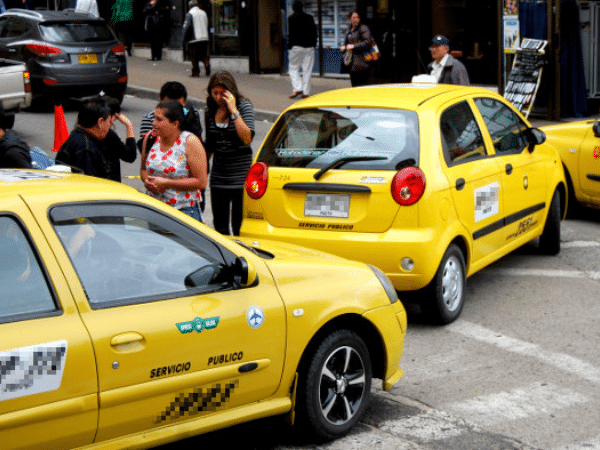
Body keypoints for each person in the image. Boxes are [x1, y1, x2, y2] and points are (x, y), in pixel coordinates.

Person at [204, 70, 254, 236]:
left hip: (240, 175)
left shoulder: (243, 106)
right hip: (219, 175)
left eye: (222, 93)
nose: (218, 98)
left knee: (238, 225)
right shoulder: (210, 111)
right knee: (220, 226)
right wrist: (202, 170)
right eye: (215, 93)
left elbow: (247, 138)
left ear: (231, 92)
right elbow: (210, 145)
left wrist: (234, 112)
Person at [140, 99, 207, 221]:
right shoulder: (150, 137)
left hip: (183, 212)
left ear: (175, 124)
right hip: (155, 210)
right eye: (154, 118)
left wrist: (165, 183)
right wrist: (148, 182)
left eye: (159, 120)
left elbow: (201, 182)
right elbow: (144, 170)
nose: (154, 123)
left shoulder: (190, 142)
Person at [56, 97, 136, 181]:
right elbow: (91, 184)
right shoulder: (85, 148)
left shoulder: (78, 137)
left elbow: (130, 156)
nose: (111, 125)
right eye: (109, 121)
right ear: (100, 122)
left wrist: (129, 126)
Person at [287, 0, 317, 98]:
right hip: (309, 47)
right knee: (307, 70)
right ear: (302, 7)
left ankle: (298, 88)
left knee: (293, 68)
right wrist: (314, 44)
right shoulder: (310, 17)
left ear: (293, 8)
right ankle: (305, 92)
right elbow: (314, 32)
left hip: (296, 46)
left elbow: (291, 33)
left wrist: (290, 46)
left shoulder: (291, 18)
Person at [340, 10, 374, 87]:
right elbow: (346, 44)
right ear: (350, 19)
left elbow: (368, 42)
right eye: (354, 18)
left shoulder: (363, 28)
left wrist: (354, 46)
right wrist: (344, 48)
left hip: (363, 62)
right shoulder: (348, 30)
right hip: (352, 64)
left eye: (357, 17)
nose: (356, 19)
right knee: (354, 85)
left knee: (363, 86)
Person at [182, 0, 210, 78]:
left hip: (194, 39)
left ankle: (195, 72)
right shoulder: (203, 13)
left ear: (190, 6)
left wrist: (184, 38)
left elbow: (187, 27)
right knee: (204, 54)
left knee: (194, 57)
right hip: (204, 38)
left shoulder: (190, 13)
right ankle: (207, 64)